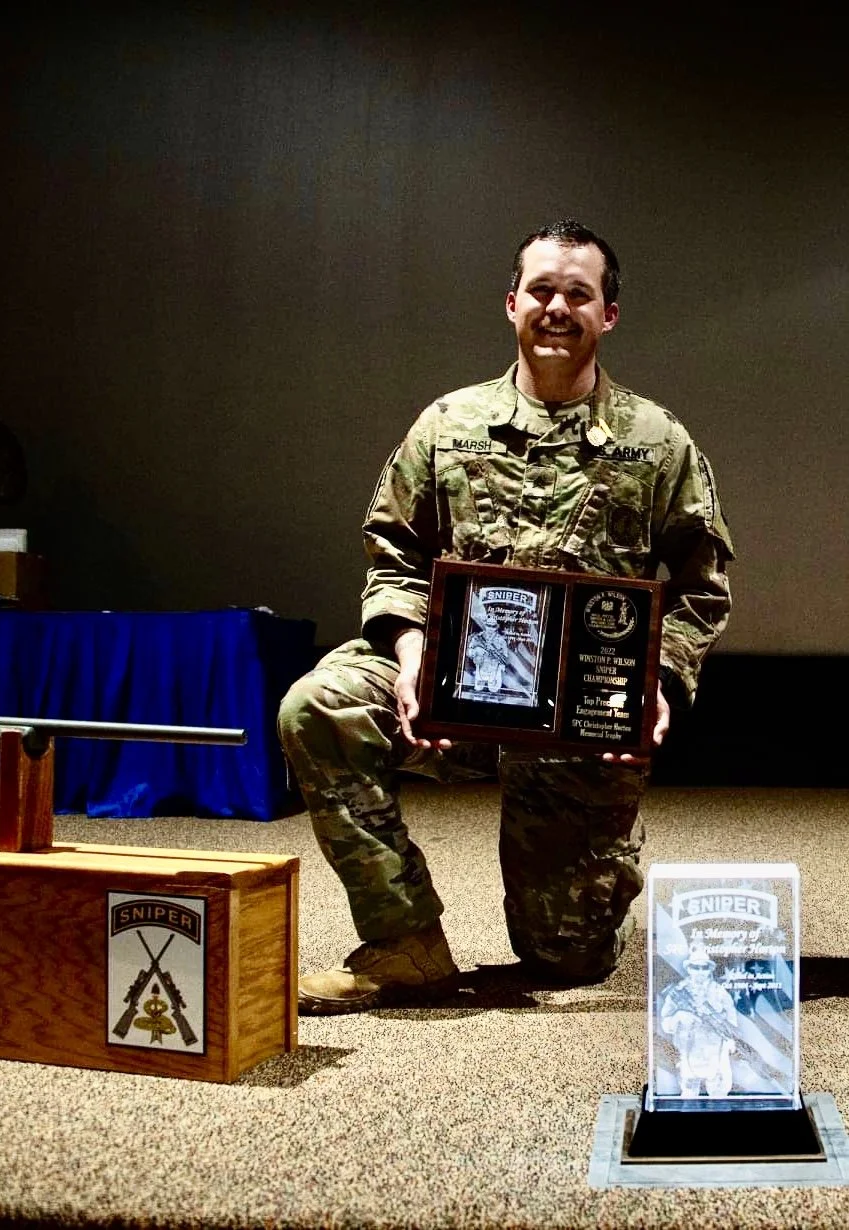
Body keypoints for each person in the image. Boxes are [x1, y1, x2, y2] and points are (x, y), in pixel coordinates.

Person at [278, 219, 734, 1015]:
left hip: (577, 721)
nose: (558, 308)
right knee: (318, 706)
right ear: (512, 303)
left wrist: (655, 680)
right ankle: (404, 938)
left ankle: (593, 881)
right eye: (542, 292)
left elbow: (702, 582)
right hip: (446, 690)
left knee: (565, 962)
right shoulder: (447, 424)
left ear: (608, 315)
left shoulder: (657, 442)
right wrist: (414, 657)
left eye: (579, 295)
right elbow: (392, 555)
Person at [660, 942, 738, 1098]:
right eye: (696, 967)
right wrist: (679, 1016)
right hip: (688, 1048)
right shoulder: (678, 992)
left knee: (719, 1091)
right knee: (689, 1091)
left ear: (709, 970)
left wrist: (730, 1041)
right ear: (689, 969)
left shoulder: (719, 992)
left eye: (704, 968)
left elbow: (731, 1020)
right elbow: (665, 1022)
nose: (700, 972)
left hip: (714, 1048)